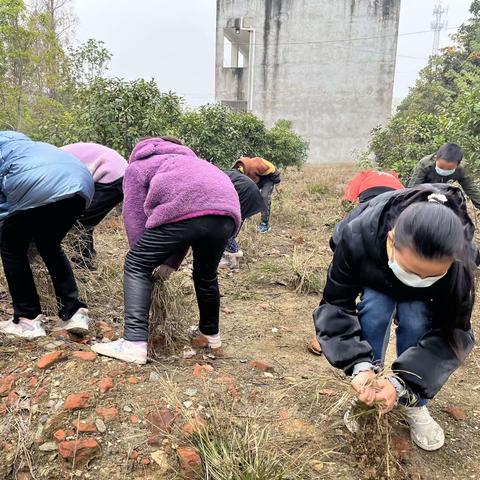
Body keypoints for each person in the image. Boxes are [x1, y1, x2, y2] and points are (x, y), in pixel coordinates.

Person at [313, 184, 476, 451]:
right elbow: (336, 305)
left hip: (421, 297)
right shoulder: (357, 236)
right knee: (375, 310)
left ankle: (411, 400)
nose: (418, 281)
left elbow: (453, 332)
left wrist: (403, 383)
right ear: (391, 240)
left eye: (430, 276)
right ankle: (368, 389)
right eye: (413, 271)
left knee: (416, 317)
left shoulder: (461, 261)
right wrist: (357, 364)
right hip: (377, 273)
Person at [91, 137, 242, 364]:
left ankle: (133, 343)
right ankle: (210, 336)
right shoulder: (194, 162)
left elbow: (134, 216)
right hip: (227, 214)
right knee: (206, 275)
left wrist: (145, 259)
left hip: (191, 208)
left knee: (135, 263)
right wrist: (169, 263)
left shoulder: (139, 166)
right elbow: (185, 224)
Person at [0, 131, 94, 339]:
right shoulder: (28, 146)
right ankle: (75, 311)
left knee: (11, 247)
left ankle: (27, 319)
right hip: (81, 186)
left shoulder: (6, 151)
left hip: (38, 184)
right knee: (49, 244)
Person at [307, 169, 404, 356]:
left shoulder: (363, 200)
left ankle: (324, 337)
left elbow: (347, 202)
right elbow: (338, 243)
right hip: (377, 234)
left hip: (391, 250)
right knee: (344, 287)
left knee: (371, 297)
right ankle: (327, 336)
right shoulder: (360, 219)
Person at [61, 143, 128, 270]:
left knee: (78, 223)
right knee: (83, 221)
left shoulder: (41, 169)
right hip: (112, 172)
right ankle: (85, 264)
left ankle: (83, 267)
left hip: (111, 175)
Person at [409, 143, 480, 209]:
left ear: (457, 165)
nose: (444, 170)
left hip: (443, 193)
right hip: (422, 192)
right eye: (441, 167)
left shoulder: (461, 169)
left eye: (449, 169)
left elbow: (472, 190)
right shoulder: (425, 164)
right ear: (436, 158)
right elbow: (413, 188)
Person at [219, 170, 265, 268]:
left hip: (244, 193)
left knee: (221, 226)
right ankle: (227, 252)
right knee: (233, 225)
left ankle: (232, 252)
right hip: (250, 193)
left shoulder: (211, 177)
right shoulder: (218, 172)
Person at [233, 157, 281, 233]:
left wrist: (276, 180)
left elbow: (273, 169)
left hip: (267, 179)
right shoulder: (240, 170)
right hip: (255, 179)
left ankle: (264, 224)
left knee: (264, 197)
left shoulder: (259, 165)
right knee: (248, 193)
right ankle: (247, 214)